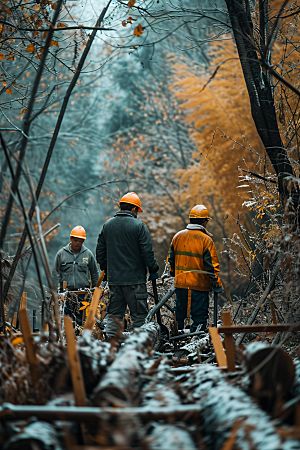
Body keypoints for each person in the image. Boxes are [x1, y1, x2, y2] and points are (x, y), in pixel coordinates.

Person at [96, 192, 159, 338]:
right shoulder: (139, 226)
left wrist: (107, 268)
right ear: (133, 209)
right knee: (139, 317)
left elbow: (100, 251)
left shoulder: (108, 225)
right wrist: (153, 268)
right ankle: (138, 351)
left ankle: (109, 350)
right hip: (135, 281)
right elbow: (147, 252)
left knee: (114, 317)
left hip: (115, 281)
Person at [169, 205, 222, 332]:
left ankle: (176, 340)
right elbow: (211, 266)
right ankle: (196, 343)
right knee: (199, 318)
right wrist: (216, 282)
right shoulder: (206, 240)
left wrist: (174, 275)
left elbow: (171, 261)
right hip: (199, 287)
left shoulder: (177, 236)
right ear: (205, 222)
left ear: (190, 220)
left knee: (179, 315)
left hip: (180, 284)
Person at [52, 226, 99, 323]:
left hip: (83, 294)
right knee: (66, 320)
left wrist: (95, 292)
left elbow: (94, 273)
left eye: (80, 240)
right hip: (66, 294)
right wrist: (55, 292)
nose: (78, 243)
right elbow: (55, 273)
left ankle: (80, 337)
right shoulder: (61, 254)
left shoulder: (88, 254)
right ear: (71, 239)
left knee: (81, 321)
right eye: (75, 240)